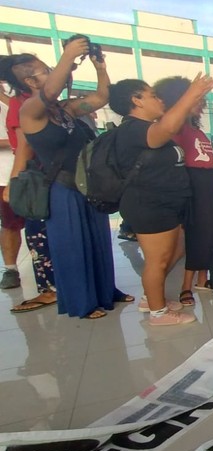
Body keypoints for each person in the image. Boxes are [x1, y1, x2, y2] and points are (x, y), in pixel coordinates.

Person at [110, 71, 213, 325]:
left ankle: (153, 297)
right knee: (157, 260)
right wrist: (199, 88)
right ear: (136, 100)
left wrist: (206, 87)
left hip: (165, 201)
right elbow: (175, 117)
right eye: (151, 96)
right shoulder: (137, 129)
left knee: (175, 250)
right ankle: (157, 311)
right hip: (148, 203)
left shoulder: (150, 127)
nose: (157, 100)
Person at [14, 39, 128, 319]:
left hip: (87, 184)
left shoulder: (66, 108)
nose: (55, 72)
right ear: (30, 80)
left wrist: (100, 67)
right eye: (46, 70)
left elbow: (102, 97)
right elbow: (50, 88)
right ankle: (82, 303)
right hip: (62, 187)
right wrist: (68, 55)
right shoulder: (29, 110)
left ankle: (105, 292)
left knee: (98, 240)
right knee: (72, 247)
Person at [155, 77, 213, 307]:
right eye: (198, 99)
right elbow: (183, 106)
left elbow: (208, 161)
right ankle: (186, 286)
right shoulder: (176, 126)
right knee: (198, 235)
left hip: (210, 183)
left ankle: (204, 279)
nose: (202, 103)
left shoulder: (196, 130)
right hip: (194, 184)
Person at [0, 63, 58, 313]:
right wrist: (15, 180)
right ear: (27, 80)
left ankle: (57, 283)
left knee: (47, 230)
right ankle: (47, 287)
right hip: (31, 176)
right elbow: (24, 145)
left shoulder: (46, 101)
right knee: (33, 229)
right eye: (43, 70)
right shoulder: (22, 104)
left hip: (47, 174)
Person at [0, 93, 23, 290]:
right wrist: (17, 140)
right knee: (10, 224)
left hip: (33, 173)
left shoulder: (18, 98)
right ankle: (10, 269)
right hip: (5, 175)